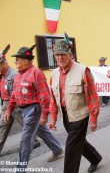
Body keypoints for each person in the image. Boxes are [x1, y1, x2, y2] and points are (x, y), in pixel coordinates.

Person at [4, 45, 63, 172]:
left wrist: (44, 115)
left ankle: (21, 168)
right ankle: (57, 149)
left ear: (26, 61)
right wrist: (9, 109)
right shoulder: (18, 75)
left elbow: (44, 95)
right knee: (41, 130)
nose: (15, 62)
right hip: (22, 110)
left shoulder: (36, 73)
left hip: (34, 109)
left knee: (26, 138)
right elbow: (14, 95)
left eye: (18, 60)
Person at [48, 35, 102, 173]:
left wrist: (94, 119)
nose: (60, 58)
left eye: (63, 54)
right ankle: (95, 158)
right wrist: (53, 118)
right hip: (66, 115)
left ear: (70, 54)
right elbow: (53, 98)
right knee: (79, 142)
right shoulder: (54, 74)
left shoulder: (83, 71)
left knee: (71, 146)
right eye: (57, 55)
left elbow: (92, 97)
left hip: (80, 115)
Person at [0, 44, 41, 154]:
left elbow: (18, 91)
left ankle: (35, 141)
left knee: (28, 125)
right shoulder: (1, 75)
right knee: (2, 126)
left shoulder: (15, 74)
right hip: (6, 104)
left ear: (4, 63)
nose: (15, 62)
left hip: (18, 105)